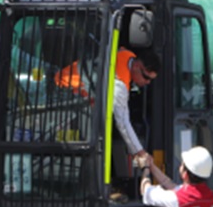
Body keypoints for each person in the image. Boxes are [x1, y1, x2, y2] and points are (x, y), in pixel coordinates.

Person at [55, 47, 160, 198]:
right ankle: (89, 192)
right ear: (137, 66)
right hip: (65, 95)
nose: (147, 82)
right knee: (94, 144)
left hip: (71, 89)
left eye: (150, 80)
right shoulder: (120, 83)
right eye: (146, 77)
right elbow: (123, 123)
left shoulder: (127, 55)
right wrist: (140, 152)